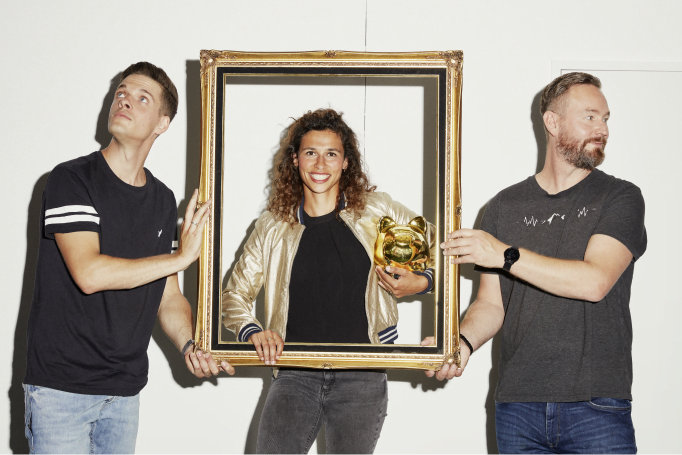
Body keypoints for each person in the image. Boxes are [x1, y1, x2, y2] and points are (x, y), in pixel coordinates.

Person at [425, 72, 646, 454]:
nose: (603, 129)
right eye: (590, 117)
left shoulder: (620, 197)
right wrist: (459, 344)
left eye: (606, 118)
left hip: (596, 405)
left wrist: (505, 255)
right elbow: (491, 305)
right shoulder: (502, 207)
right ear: (552, 122)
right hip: (517, 407)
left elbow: (594, 282)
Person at [23, 61, 234, 455]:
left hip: (124, 394)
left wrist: (190, 345)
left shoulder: (162, 199)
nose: (125, 101)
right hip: (61, 392)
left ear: (162, 123)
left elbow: (167, 297)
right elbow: (89, 273)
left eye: (142, 98)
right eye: (121, 92)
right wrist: (182, 256)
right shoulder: (71, 179)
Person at [222, 108, 436, 455]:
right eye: (310, 153)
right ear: (294, 160)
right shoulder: (272, 226)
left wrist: (421, 282)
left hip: (362, 373)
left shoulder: (376, 210)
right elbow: (235, 296)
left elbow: (443, 249)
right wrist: (252, 331)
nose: (320, 164)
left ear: (346, 162)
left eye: (331, 154)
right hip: (294, 373)